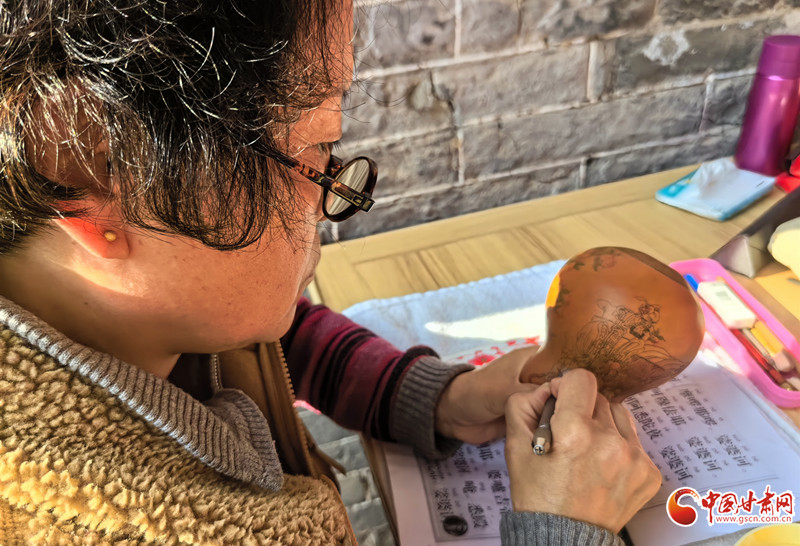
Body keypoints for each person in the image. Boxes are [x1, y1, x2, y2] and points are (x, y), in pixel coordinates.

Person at [0, 1, 661, 544]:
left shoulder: (143, 310)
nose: (327, 203)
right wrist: (563, 530)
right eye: (318, 145)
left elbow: (271, 344)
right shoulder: (127, 522)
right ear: (90, 167)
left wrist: (434, 399)